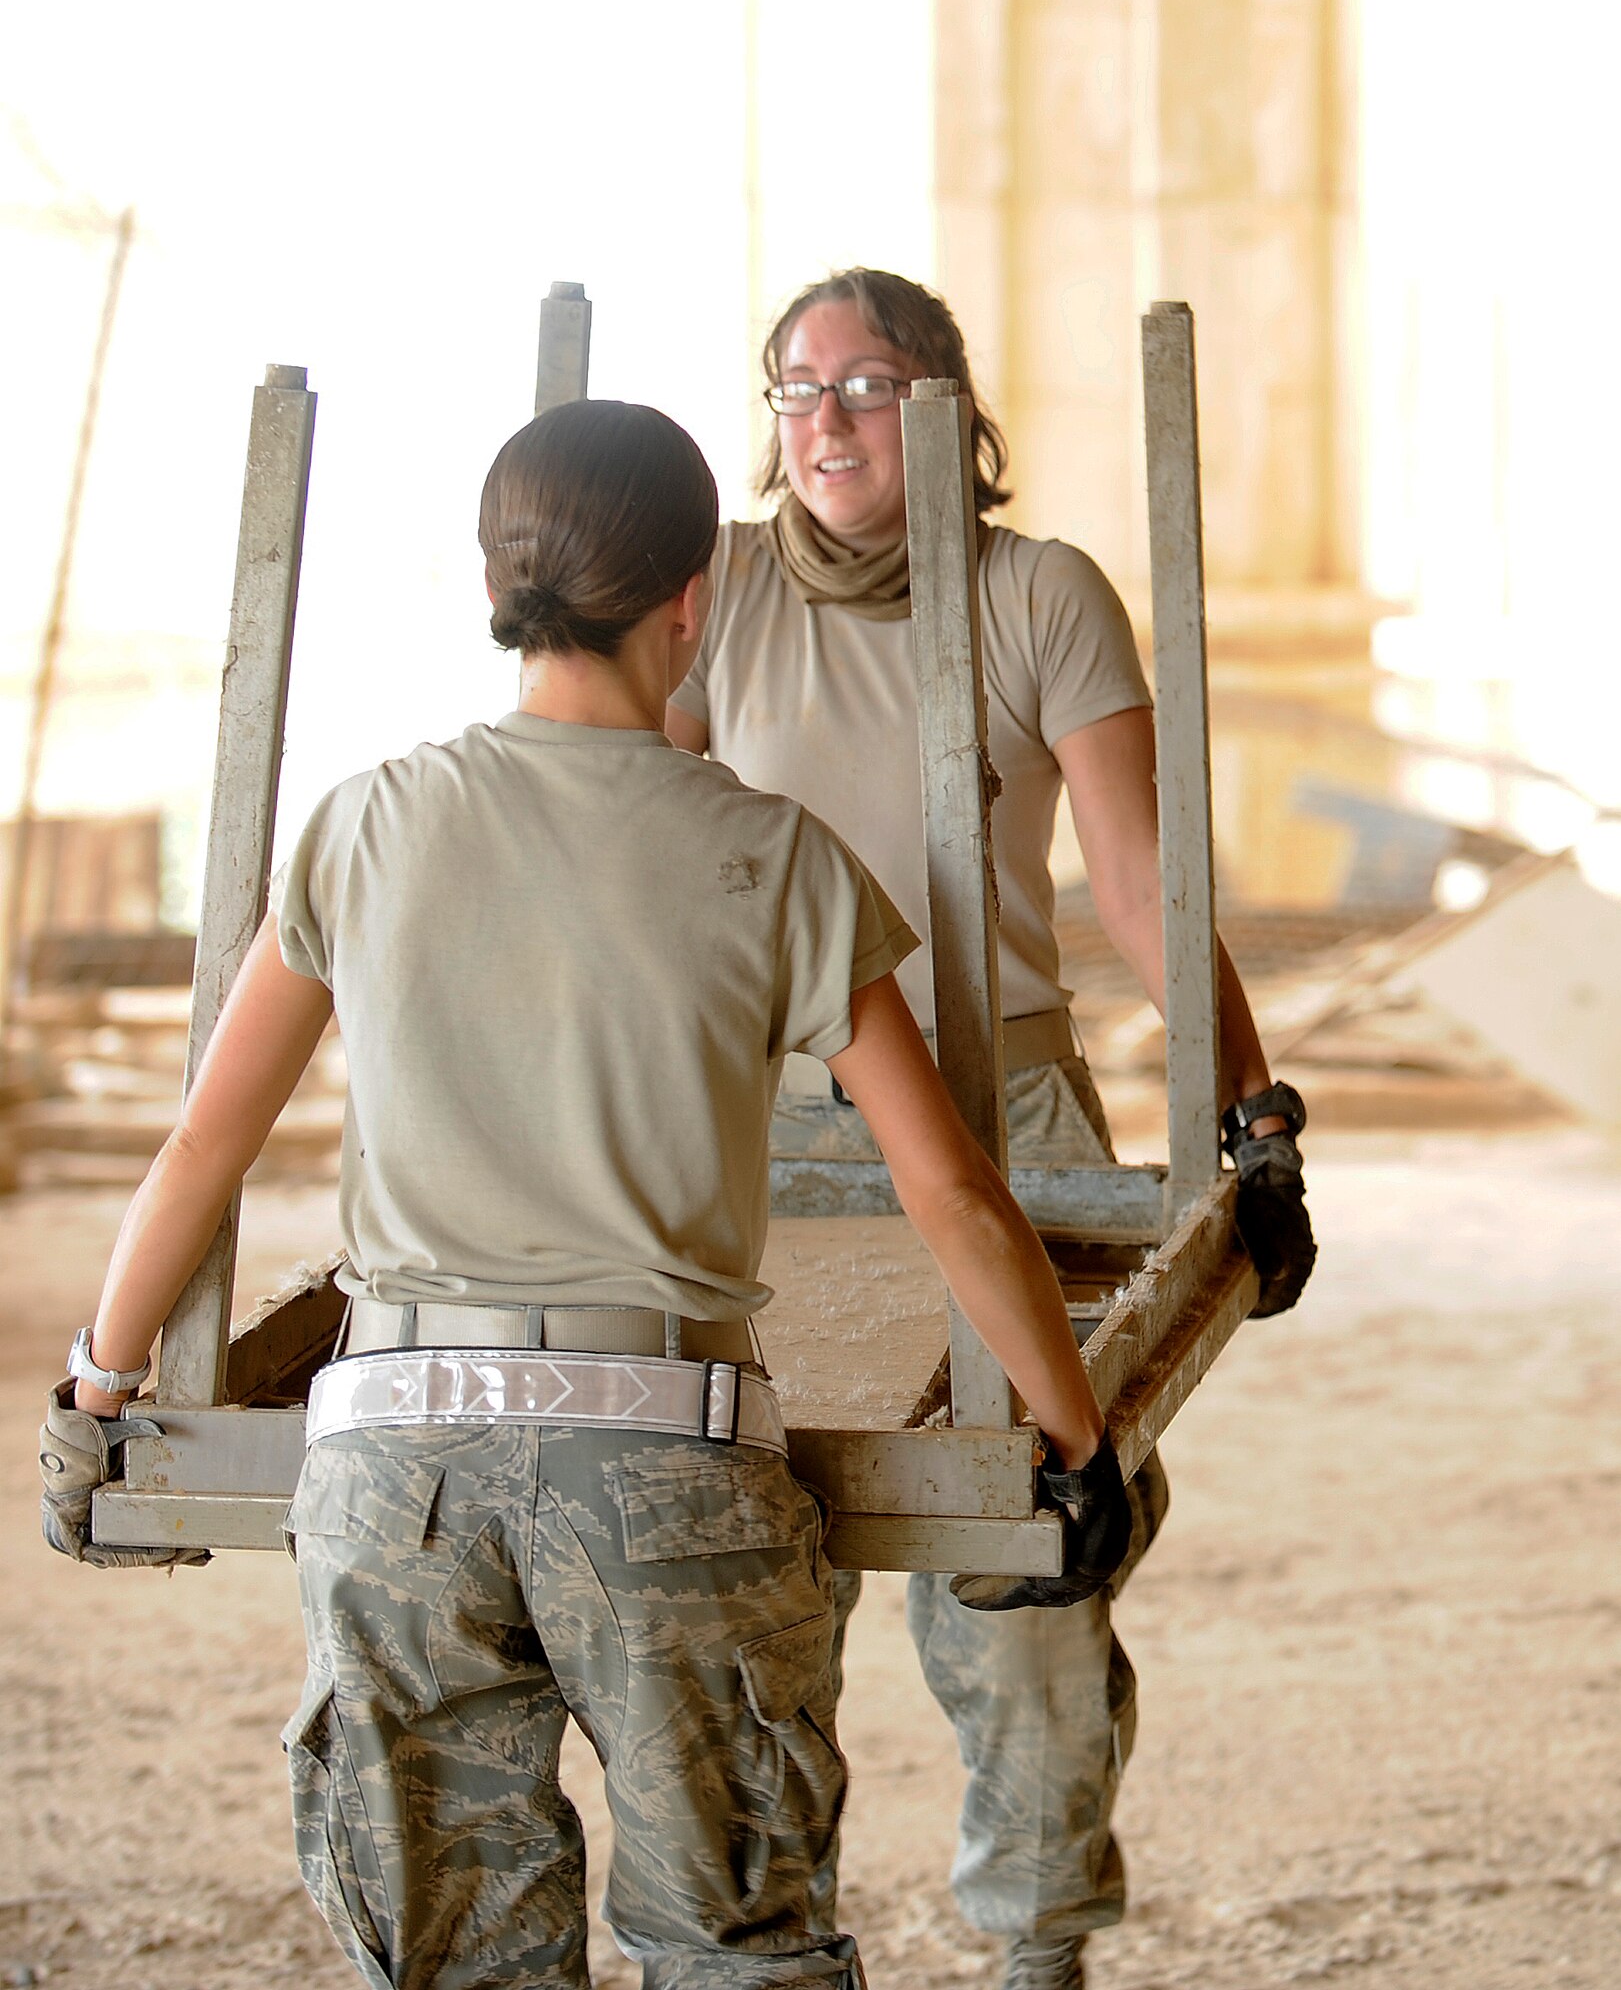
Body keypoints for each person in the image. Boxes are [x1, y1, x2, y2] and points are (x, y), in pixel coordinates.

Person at [39, 398, 1140, 1990]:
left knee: (456, 1960)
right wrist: (1072, 1433)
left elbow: (202, 1148)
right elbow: (955, 1192)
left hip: (392, 1468)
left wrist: (102, 1382)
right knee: (730, 1949)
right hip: (665, 1466)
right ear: (692, 602)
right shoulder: (773, 853)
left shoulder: (365, 823)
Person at [666, 268, 1318, 1990]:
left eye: (867, 384)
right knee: (754, 1537)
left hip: (1004, 1097)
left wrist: (1248, 1118)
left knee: (1020, 1557)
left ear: (952, 407)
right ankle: (768, 1949)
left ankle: (1035, 1952)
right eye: (791, 385)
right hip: (768, 1114)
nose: (820, 419)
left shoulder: (1041, 594)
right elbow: (640, 851)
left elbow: (1136, 881)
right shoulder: (711, 593)